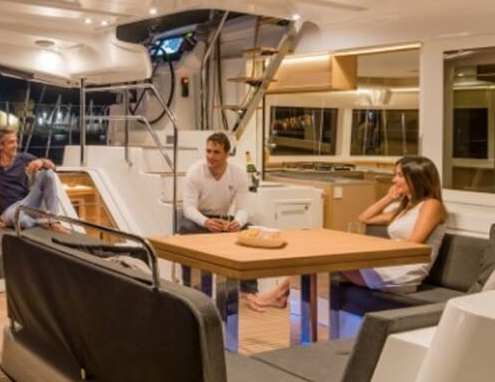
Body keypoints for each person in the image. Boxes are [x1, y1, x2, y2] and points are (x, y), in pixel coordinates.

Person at [248, 155, 447, 310]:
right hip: (390, 265)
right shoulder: (405, 208)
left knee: (320, 263)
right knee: (313, 266)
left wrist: (378, 251)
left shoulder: (431, 205)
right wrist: (388, 198)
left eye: (400, 175)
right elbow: (365, 218)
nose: (394, 180)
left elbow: (414, 243)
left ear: (417, 178)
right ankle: (283, 299)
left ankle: (278, 296)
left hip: (403, 272)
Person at [180, 132, 256, 293]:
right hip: (199, 220)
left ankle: (249, 291)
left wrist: (237, 222)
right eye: (208, 151)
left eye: (216, 152)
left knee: (249, 231)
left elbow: (243, 208)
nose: (210, 156)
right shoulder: (194, 172)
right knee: (186, 228)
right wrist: (206, 222)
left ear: (227, 154)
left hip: (223, 220)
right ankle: (189, 288)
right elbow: (188, 208)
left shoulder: (239, 174)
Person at [0, 129, 61, 229]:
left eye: (16, 141)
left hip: (26, 203)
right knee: (20, 219)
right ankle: (41, 222)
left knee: (48, 173)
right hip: (8, 211)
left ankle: (54, 220)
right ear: (0, 145)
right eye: (11, 142)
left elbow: (53, 167)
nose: (16, 145)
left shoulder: (23, 158)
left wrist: (42, 162)